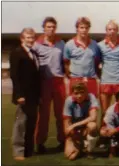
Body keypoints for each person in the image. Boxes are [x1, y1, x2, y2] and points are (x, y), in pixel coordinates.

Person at [33, 17, 66, 153]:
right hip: (45, 82)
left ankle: (63, 141)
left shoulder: (61, 43)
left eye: (53, 27)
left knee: (61, 114)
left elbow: (65, 63)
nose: (51, 29)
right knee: (44, 115)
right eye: (48, 27)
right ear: (44, 28)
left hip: (59, 81)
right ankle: (40, 143)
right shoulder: (37, 44)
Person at [10, 28, 41, 160]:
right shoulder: (17, 53)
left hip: (34, 96)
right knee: (20, 123)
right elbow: (14, 75)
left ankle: (29, 150)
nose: (30, 40)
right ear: (22, 39)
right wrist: (19, 95)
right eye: (28, 37)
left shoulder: (34, 53)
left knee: (31, 123)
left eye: (32, 37)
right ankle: (18, 151)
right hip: (23, 96)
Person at [64, 17, 101, 97]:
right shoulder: (69, 44)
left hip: (90, 79)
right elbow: (66, 63)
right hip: (76, 80)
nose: (84, 30)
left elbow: (97, 62)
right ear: (77, 29)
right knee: (76, 106)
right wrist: (70, 75)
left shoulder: (94, 44)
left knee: (91, 106)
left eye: (86, 28)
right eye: (81, 27)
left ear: (89, 29)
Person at [98, 20, 119, 114]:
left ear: (118, 30)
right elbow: (97, 63)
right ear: (106, 31)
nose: (112, 31)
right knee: (105, 112)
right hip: (105, 81)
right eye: (109, 29)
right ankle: (103, 128)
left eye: (114, 29)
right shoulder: (100, 45)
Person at [63, 82, 99, 160]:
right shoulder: (68, 101)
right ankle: (81, 146)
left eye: (82, 92)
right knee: (71, 157)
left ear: (86, 92)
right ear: (72, 93)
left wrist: (74, 125)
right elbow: (67, 126)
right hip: (74, 132)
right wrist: (75, 137)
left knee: (92, 125)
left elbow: (93, 117)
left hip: (86, 128)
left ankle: (89, 152)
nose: (79, 96)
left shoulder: (91, 97)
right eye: (76, 93)